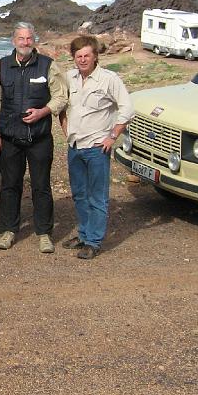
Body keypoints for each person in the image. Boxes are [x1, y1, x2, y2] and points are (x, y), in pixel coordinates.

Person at [0, 23, 68, 253]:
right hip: (10, 137)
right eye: (21, 38)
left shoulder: (48, 66)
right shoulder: (2, 67)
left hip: (40, 138)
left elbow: (61, 98)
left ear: (34, 41)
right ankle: (9, 230)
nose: (25, 42)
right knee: (9, 185)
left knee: (41, 186)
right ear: (13, 41)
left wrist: (43, 112)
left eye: (29, 38)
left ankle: (44, 233)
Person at [59, 36, 134, 259]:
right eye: (78, 56)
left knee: (97, 196)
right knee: (80, 194)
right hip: (75, 146)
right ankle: (83, 234)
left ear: (95, 57)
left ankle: (93, 241)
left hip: (96, 148)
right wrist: (65, 129)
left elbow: (127, 109)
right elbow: (61, 105)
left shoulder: (109, 79)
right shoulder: (69, 78)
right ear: (73, 58)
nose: (82, 60)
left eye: (86, 55)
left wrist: (112, 137)